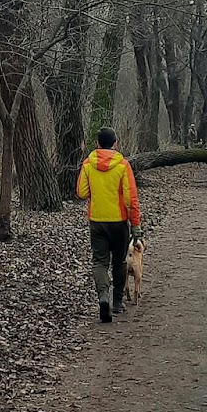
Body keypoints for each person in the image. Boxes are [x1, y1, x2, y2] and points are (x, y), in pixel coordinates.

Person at [76, 126, 141, 323]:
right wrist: (135, 224)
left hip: (97, 221)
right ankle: (118, 302)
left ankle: (102, 297)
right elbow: (131, 198)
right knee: (119, 261)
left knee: (99, 262)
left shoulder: (88, 164)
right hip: (119, 222)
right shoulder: (122, 165)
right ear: (115, 144)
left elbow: (81, 192)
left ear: (97, 144)